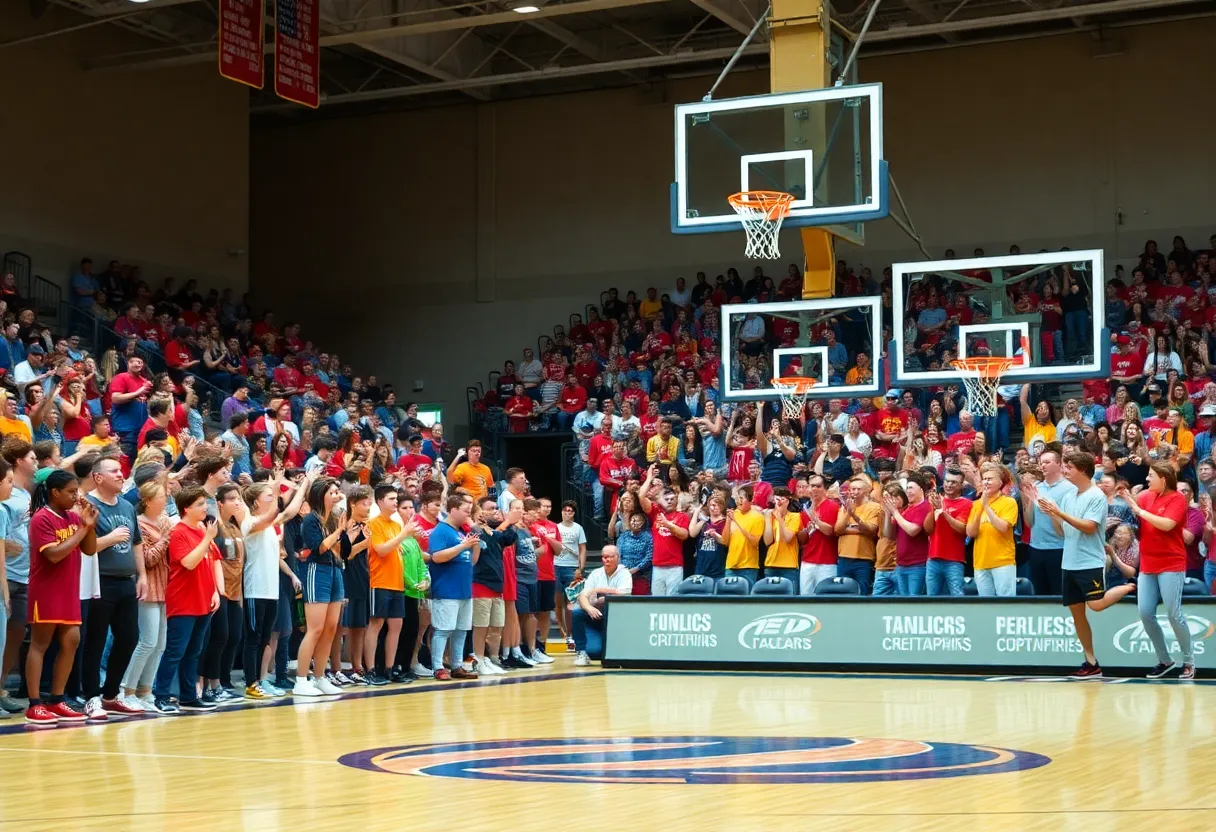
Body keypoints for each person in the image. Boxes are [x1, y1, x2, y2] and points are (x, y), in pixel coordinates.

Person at [1032, 450, 1136, 677]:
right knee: (1077, 614)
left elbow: (1088, 527)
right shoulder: (1070, 497)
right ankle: (1091, 662)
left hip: (1090, 561)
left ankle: (1129, 587)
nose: (1065, 470)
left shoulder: (1096, 496)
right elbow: (1062, 532)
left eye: (1069, 467)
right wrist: (1051, 514)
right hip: (1069, 562)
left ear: (1081, 470)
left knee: (1096, 605)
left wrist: (1058, 511)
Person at [22, 470, 100, 725]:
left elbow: (88, 549)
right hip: (46, 590)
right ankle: (35, 704)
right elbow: (54, 555)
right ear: (55, 492)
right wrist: (82, 529)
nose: (75, 497)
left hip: (68, 590)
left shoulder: (72, 518)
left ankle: (57, 699)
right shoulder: (41, 518)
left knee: (72, 641)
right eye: (70, 492)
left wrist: (89, 525)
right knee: (40, 644)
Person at [81, 456, 146, 720]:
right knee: (95, 642)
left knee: (129, 638)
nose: (121, 474)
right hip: (99, 582)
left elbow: (136, 543)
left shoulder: (127, 506)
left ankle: (110, 695)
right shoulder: (87, 504)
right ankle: (91, 698)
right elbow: (84, 546)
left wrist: (142, 575)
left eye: (121, 470)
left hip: (126, 581)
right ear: (98, 477)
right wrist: (109, 539)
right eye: (115, 471)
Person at [151, 487, 222, 715]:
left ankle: (189, 696)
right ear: (186, 509)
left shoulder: (202, 530)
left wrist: (214, 592)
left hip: (203, 599)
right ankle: (160, 695)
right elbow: (189, 562)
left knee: (193, 651)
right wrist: (208, 538)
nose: (205, 508)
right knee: (175, 651)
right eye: (200, 504)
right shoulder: (179, 532)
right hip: (183, 599)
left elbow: (209, 562)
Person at [1122, 461, 1194, 679]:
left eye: (1151, 475)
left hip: (1171, 562)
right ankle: (1165, 660)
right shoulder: (1144, 497)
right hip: (1148, 563)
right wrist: (1130, 504)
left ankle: (1189, 661)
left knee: (1174, 614)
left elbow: (1167, 525)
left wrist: (1138, 511)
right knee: (1145, 613)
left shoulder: (1177, 499)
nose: (1146, 479)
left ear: (1163, 479)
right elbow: (1136, 519)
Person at [240, 476, 310, 698]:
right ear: (256, 502)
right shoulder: (250, 523)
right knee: (253, 638)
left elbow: (289, 513)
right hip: (255, 590)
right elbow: (276, 513)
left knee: (263, 639)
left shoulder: (271, 526)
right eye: (268, 496)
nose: (273, 498)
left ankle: (259, 681)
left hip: (271, 591)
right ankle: (251, 683)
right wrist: (277, 490)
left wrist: (307, 483)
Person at [294, 478, 347, 697]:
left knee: (331, 628)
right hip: (318, 571)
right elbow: (319, 547)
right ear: (321, 494)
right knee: (315, 628)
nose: (337, 496)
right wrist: (339, 531)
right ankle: (300, 679)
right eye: (333, 492)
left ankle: (320, 677)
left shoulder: (333, 518)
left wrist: (345, 530)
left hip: (335, 571)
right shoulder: (311, 520)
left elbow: (343, 550)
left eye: (338, 492)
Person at [428, 493, 481, 681]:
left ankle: (457, 665)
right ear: (452, 510)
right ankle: (438, 666)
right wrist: (463, 545)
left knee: (461, 629)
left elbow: (472, 562)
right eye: (465, 510)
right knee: (443, 629)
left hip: (464, 590)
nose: (468, 514)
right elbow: (437, 556)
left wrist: (474, 544)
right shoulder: (441, 531)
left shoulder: (460, 532)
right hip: (447, 589)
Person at [365, 485, 414, 684]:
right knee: (376, 624)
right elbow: (381, 550)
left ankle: (389, 668)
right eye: (391, 498)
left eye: (396, 498)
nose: (395, 502)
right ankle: (370, 670)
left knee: (396, 625)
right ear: (380, 501)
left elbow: (396, 551)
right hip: (380, 581)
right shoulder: (373, 524)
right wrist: (404, 535)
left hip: (397, 582)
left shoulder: (395, 525)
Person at [1020, 444, 1072, 596]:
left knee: (1059, 592)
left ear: (1059, 464)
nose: (1043, 465)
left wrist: (1051, 511)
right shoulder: (1037, 487)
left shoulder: (1069, 488)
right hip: (1036, 548)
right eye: (1041, 462)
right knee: (1039, 594)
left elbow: (1066, 527)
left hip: (1059, 548)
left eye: (1047, 462)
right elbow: (1029, 523)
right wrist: (1029, 502)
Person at [571, 545, 632, 667]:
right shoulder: (595, 573)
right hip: (597, 617)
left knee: (603, 653)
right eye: (604, 557)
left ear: (618, 557)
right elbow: (583, 596)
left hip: (616, 620)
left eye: (610, 557)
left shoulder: (625, 573)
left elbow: (624, 594)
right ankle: (581, 652)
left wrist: (599, 594)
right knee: (577, 612)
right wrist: (589, 608)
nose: (607, 560)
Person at [966, 463, 1019, 596]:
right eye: (984, 478)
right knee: (985, 606)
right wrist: (980, 507)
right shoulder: (975, 504)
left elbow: (1003, 527)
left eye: (990, 479)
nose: (986, 482)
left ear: (1000, 482)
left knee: (1005, 605)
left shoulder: (1009, 502)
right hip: (980, 562)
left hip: (1003, 562)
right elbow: (971, 533)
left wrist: (987, 507)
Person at [638, 467, 690, 596]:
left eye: (672, 499)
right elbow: (641, 496)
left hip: (675, 566)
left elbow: (684, 535)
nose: (669, 501)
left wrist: (668, 525)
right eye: (666, 499)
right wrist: (649, 478)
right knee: (657, 602)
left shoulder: (682, 516)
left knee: (672, 602)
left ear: (676, 500)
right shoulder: (656, 512)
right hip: (657, 565)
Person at [883, 470, 933, 596]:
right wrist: (888, 514)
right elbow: (889, 535)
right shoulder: (906, 510)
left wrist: (895, 512)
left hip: (917, 565)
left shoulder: (925, 507)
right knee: (904, 604)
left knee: (914, 603)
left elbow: (912, 530)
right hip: (901, 565)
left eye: (911, 488)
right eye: (907, 488)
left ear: (921, 489)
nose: (908, 492)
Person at [926, 468, 971, 596]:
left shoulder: (966, 504)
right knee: (931, 599)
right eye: (947, 481)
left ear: (961, 485)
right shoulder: (936, 500)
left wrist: (943, 512)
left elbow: (962, 529)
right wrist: (932, 510)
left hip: (954, 560)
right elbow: (928, 530)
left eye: (954, 482)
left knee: (957, 598)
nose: (949, 485)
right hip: (933, 558)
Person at [797, 474, 839, 594]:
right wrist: (806, 530)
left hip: (827, 562)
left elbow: (830, 531)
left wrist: (817, 521)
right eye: (812, 486)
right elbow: (802, 540)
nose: (814, 489)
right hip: (807, 561)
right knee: (805, 597)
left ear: (824, 488)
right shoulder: (805, 510)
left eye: (818, 486)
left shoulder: (832, 506)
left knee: (825, 598)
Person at [724, 484, 764, 585]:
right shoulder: (733, 514)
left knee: (747, 600)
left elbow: (754, 542)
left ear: (750, 500)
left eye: (742, 498)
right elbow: (725, 541)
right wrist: (728, 521)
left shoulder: (757, 517)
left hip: (748, 567)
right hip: (730, 566)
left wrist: (737, 522)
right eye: (737, 498)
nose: (739, 501)